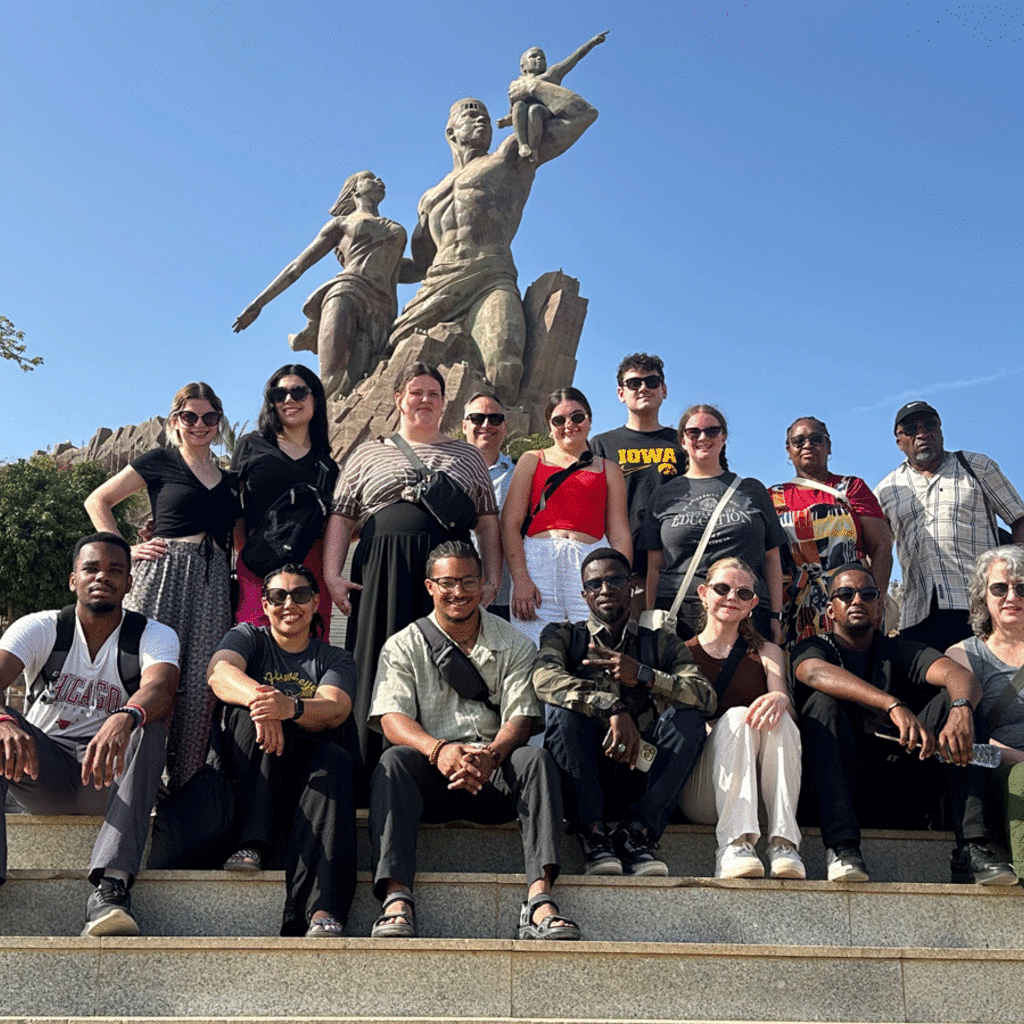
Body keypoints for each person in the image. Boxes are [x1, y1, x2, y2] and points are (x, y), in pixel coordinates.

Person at [367, 541, 579, 941]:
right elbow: (391, 717)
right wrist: (438, 750)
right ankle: (397, 899)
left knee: (536, 761)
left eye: (468, 581)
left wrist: (493, 755)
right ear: (430, 586)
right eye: (448, 582)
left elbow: (521, 715)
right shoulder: (403, 644)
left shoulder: (515, 642)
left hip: (493, 772)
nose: (459, 592)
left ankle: (540, 900)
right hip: (433, 772)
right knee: (393, 762)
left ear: (485, 585)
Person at [0, 532, 179, 936]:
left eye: (116, 570)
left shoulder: (153, 634)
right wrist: (7, 721)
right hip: (44, 774)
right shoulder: (42, 627)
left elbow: (162, 688)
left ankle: (111, 890)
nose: (103, 577)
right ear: (73, 579)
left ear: (130, 583)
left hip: (108, 778)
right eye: (91, 568)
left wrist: (126, 714)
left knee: (147, 727)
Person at [794, 563, 1016, 885]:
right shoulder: (815, 648)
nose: (857, 600)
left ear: (880, 606)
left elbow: (960, 676)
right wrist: (891, 704)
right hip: (840, 790)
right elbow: (812, 672)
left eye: (867, 593)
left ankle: (972, 848)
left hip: (901, 787)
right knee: (821, 703)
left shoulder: (897, 649)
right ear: (830, 609)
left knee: (955, 705)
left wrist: (961, 708)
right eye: (845, 594)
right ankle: (841, 848)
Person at [324, 363, 502, 765]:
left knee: (443, 663)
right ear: (398, 400)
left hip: (448, 580)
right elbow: (341, 517)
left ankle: (441, 761)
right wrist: (331, 575)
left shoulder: (468, 456)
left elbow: (488, 523)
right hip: (379, 575)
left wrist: (493, 579)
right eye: (416, 392)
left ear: (444, 403)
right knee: (375, 662)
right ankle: (368, 770)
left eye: (433, 394)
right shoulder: (368, 452)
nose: (425, 399)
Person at [388, 88, 598, 406]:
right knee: (389, 359)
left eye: (486, 118)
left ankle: (494, 448)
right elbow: (420, 267)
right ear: (451, 132)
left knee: (506, 364)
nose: (482, 122)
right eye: (472, 116)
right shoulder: (429, 197)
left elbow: (582, 114)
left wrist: (535, 88)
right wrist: (369, 268)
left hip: (490, 276)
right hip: (437, 285)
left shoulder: (510, 157)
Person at [84, 382, 239, 788]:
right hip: (162, 571)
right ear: (176, 421)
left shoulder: (229, 479)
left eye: (209, 417)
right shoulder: (160, 461)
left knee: (201, 683)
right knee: (148, 671)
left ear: (218, 422)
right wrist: (123, 549)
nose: (199, 425)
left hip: (213, 581)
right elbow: (97, 500)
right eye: (190, 416)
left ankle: (184, 785)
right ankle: (130, 783)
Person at [534, 548, 714, 875]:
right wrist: (611, 706)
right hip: (585, 773)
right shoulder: (563, 636)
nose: (605, 590)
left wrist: (645, 676)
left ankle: (638, 834)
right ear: (584, 594)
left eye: (615, 580)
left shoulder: (660, 642)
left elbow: (705, 695)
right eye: (595, 584)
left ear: (631, 586)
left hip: (640, 774)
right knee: (561, 714)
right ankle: (593, 834)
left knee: (688, 719)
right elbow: (544, 679)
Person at [207, 564, 358, 936]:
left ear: (316, 602)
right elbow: (220, 674)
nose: (289, 604)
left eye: (300, 595)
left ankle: (323, 910)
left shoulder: (334, 658)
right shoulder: (248, 637)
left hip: (311, 770)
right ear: (265, 603)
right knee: (246, 715)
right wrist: (264, 704)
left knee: (335, 761)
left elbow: (335, 707)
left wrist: (288, 708)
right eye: (278, 596)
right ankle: (253, 841)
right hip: (256, 764)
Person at [232, 171, 416, 401]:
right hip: (347, 293)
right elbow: (297, 266)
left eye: (379, 177)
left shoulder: (395, 228)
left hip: (383, 307)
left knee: (360, 380)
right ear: (355, 190)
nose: (379, 180)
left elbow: (406, 270)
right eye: (370, 178)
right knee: (331, 380)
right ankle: (289, 429)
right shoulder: (342, 224)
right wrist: (258, 304)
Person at [679, 558, 804, 879]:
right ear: (704, 594)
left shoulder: (767, 652)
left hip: (761, 795)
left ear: (753, 604)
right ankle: (733, 844)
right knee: (736, 718)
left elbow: (786, 718)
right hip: (705, 789)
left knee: (780, 716)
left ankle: (783, 842)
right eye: (722, 588)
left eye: (743, 592)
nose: (731, 597)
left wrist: (780, 697)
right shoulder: (682, 652)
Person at [875, 400, 1024, 650]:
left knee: (988, 685)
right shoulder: (887, 490)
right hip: (917, 613)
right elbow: (879, 548)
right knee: (928, 687)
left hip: (978, 606)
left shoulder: (976, 466)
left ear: (940, 430)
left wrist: (1018, 582)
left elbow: (1018, 518)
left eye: (930, 425)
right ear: (899, 441)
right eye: (911, 428)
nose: (922, 433)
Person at [644, 404, 786, 642]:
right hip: (679, 612)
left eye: (711, 431)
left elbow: (772, 559)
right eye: (694, 432)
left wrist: (775, 616)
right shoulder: (663, 495)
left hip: (744, 609)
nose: (703, 437)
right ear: (682, 440)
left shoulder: (752, 489)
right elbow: (654, 567)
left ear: (723, 437)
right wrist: (650, 618)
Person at [501, 387, 631, 647]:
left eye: (577, 417)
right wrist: (521, 578)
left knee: (593, 647)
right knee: (532, 647)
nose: (568, 425)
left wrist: (621, 583)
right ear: (550, 427)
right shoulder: (531, 460)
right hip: (538, 562)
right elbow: (510, 523)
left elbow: (619, 532)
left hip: (591, 563)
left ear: (589, 420)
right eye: (559, 420)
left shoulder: (609, 469)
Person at [769, 416, 893, 650]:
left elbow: (881, 548)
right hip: (793, 606)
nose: (808, 445)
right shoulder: (773, 497)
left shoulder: (851, 488)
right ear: (788, 450)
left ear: (828, 446)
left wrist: (875, 600)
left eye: (816, 439)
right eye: (799, 440)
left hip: (849, 600)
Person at [232, 365, 339, 633]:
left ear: (315, 398)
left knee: (310, 649)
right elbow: (231, 503)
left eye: (299, 392)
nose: (289, 400)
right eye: (279, 394)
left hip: (310, 563)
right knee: (252, 642)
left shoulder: (327, 465)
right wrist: (244, 551)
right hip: (258, 561)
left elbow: (337, 526)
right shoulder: (251, 445)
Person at [946, 545, 1024, 881]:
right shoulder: (964, 654)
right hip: (997, 776)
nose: (1011, 596)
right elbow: (967, 736)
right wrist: (1019, 758)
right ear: (982, 596)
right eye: (1000, 587)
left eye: (1022, 587)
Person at [590, 353, 682, 596]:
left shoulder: (684, 443)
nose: (643, 388)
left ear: (664, 390)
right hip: (617, 572)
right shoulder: (600, 445)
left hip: (674, 570)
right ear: (621, 394)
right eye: (634, 383)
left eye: (652, 382)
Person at [496, 32, 608, 163]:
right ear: (523, 67)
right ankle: (523, 144)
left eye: (542, 57)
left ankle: (534, 149)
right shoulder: (516, 86)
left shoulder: (551, 74)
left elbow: (574, 58)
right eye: (533, 57)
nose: (539, 59)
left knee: (535, 110)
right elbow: (513, 113)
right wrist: (504, 121)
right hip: (523, 117)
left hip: (545, 113)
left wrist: (592, 42)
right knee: (518, 106)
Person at [462, 391, 515, 620]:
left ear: (504, 427)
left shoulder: (520, 476)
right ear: (464, 425)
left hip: (504, 596)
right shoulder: (445, 473)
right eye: (477, 418)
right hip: (455, 591)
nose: (486, 425)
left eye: (495, 419)